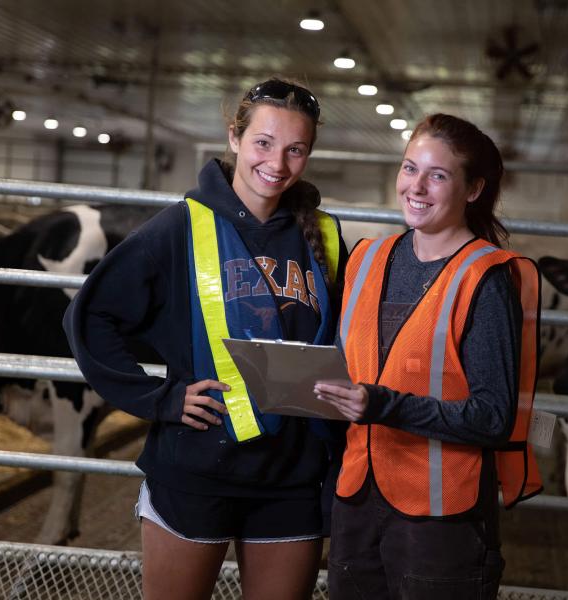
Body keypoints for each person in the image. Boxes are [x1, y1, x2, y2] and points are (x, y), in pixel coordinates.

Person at [64, 78, 347, 600]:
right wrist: (161, 398)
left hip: (292, 475)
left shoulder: (325, 236)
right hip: (195, 469)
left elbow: (343, 343)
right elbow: (92, 317)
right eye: (263, 143)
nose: (277, 163)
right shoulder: (178, 228)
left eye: (295, 150)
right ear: (235, 138)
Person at [314, 113, 542, 600]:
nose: (416, 187)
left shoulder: (485, 277)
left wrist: (381, 405)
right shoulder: (366, 259)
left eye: (437, 175)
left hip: (442, 517)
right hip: (356, 499)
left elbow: (493, 417)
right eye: (409, 168)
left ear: (473, 189)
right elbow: (346, 371)